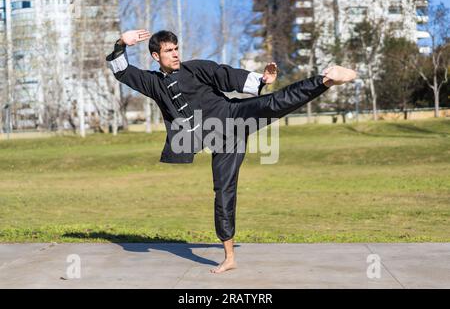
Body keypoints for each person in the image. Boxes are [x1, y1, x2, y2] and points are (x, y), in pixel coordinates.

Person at [106, 29, 357, 274]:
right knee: (224, 193)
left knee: (275, 103)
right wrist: (121, 43)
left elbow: (223, 74)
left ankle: (327, 79)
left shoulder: (194, 68)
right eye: (168, 51)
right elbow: (122, 72)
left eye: (176, 49)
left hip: (235, 117)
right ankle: (229, 258)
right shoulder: (152, 83)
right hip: (222, 143)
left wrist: (260, 80)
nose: (175, 54)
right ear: (155, 56)